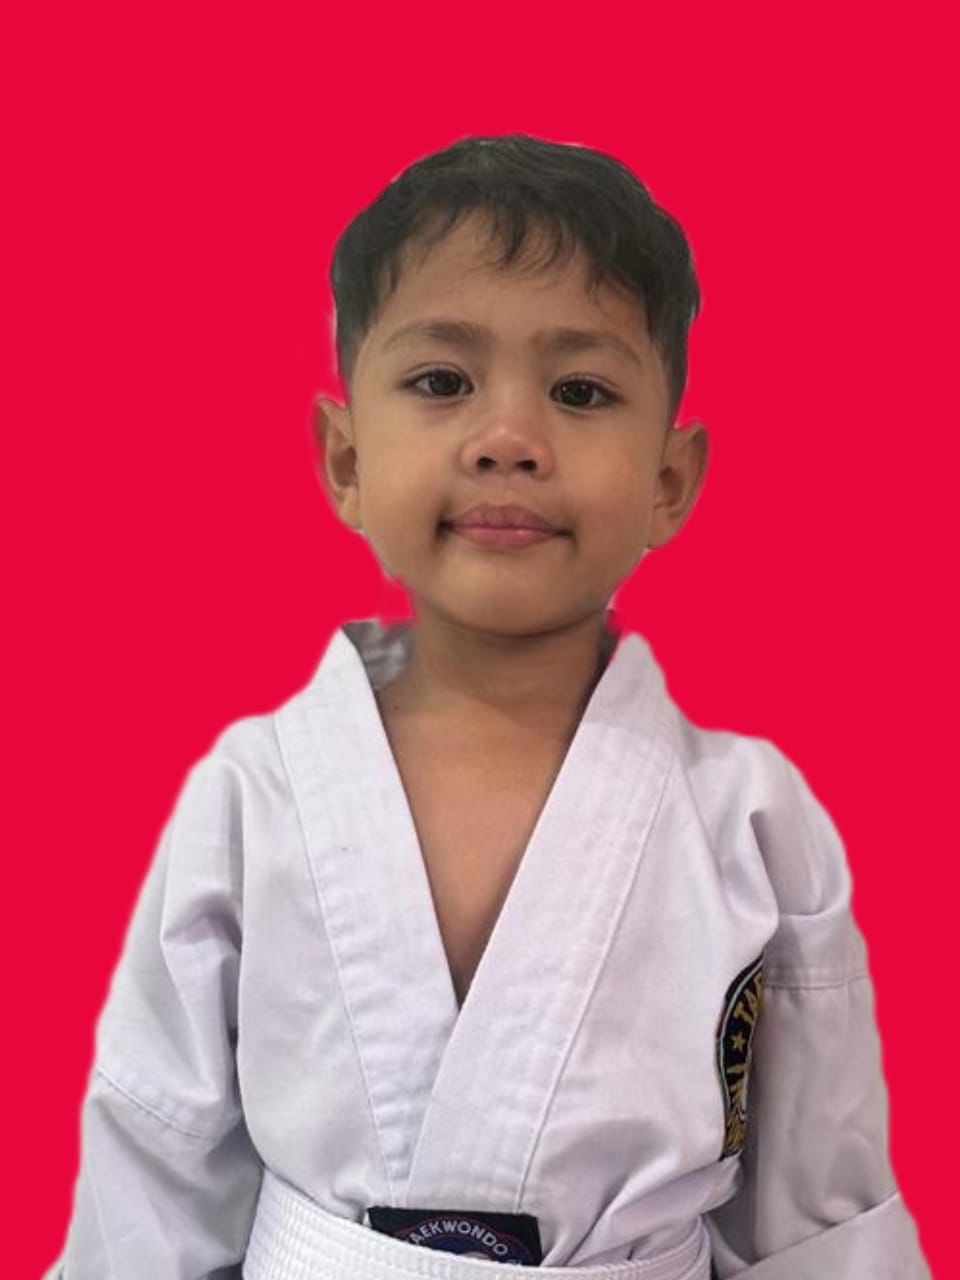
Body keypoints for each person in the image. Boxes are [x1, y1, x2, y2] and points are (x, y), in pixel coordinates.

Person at [44, 133, 930, 1279]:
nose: (509, 439)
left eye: (581, 391)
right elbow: (154, 1165)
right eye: (442, 381)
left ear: (669, 480)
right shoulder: (254, 791)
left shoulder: (753, 819)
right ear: (345, 459)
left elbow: (821, 1214)